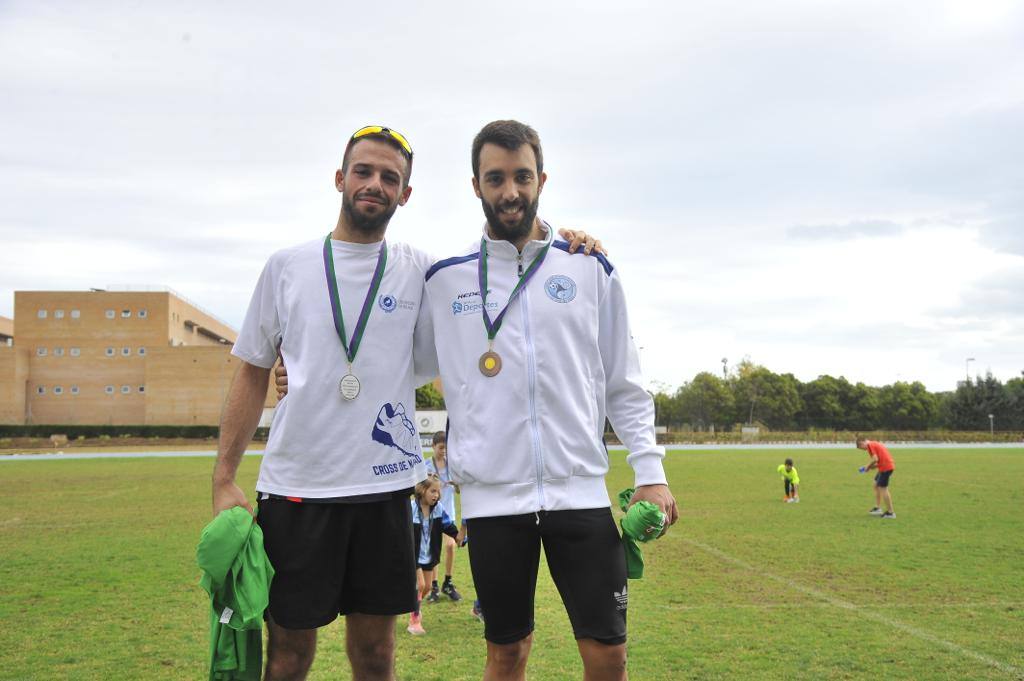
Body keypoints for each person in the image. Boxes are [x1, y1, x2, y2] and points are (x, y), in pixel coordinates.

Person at [218, 124, 600, 681]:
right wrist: (224, 476)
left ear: (406, 193)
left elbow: (495, 282)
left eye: (390, 177)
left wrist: (568, 243)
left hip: (383, 493)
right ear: (339, 178)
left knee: (376, 656)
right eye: (364, 171)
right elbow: (253, 369)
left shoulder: (424, 272)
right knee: (288, 655)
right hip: (297, 490)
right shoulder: (287, 267)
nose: (375, 184)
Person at [422, 120, 678, 681]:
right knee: (507, 655)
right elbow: (392, 363)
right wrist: (296, 371)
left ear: (542, 178)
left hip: (579, 493)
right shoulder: (445, 280)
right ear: (475, 185)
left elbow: (624, 383)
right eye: (496, 178)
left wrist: (651, 471)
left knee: (608, 657)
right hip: (492, 504)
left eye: (521, 176)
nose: (509, 191)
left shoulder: (588, 266)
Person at [408, 474, 460, 635]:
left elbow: (448, 526)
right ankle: (414, 621)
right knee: (421, 585)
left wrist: (460, 538)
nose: (436, 495)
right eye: (432, 491)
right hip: (413, 554)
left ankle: (412, 607)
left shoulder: (438, 508)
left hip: (429, 555)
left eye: (438, 492)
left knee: (428, 587)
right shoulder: (410, 508)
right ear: (422, 490)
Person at [424, 430, 462, 602]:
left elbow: (460, 491)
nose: (444, 451)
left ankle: (448, 582)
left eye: (446, 448)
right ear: (433, 446)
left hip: (448, 513)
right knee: (433, 550)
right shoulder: (426, 466)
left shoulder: (452, 466)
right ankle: (434, 586)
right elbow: (418, 490)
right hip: (431, 514)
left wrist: (457, 485)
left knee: (450, 546)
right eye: (440, 448)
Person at [856, 437, 896, 518]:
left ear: (862, 443)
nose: (864, 450)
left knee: (883, 489)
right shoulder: (873, 444)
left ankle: (891, 513)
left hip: (886, 468)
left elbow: (875, 459)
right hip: (884, 466)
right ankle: (878, 508)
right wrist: (869, 468)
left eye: (862, 448)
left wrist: (867, 467)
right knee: (875, 485)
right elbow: (879, 461)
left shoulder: (870, 445)